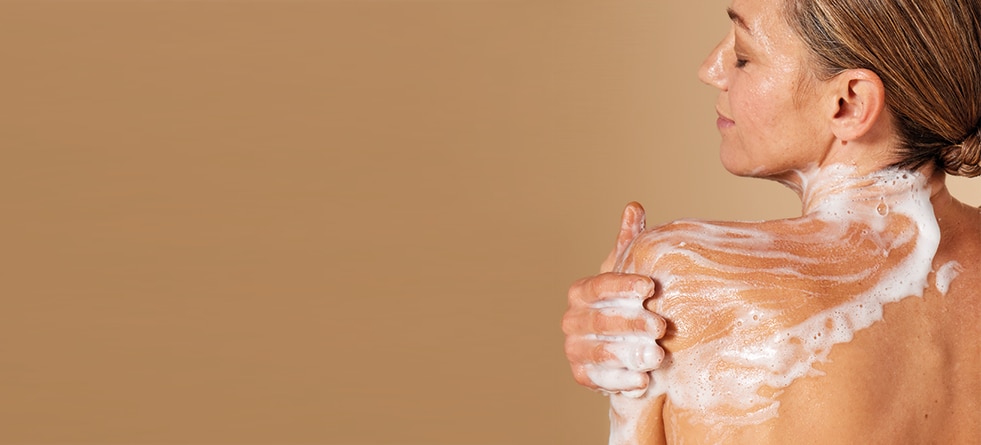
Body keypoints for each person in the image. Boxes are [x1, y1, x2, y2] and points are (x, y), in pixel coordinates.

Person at [561, 0, 981, 443]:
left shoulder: (686, 278)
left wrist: (648, 277)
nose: (710, 70)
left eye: (743, 56)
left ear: (849, 103)